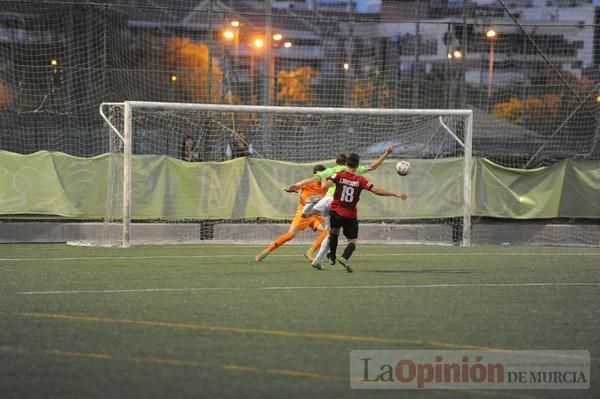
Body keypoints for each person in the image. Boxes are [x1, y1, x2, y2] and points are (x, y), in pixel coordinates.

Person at [286, 145, 393, 264]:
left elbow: (313, 179)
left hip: (326, 200)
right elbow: (373, 167)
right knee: (330, 233)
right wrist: (385, 155)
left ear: (337, 162)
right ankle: (323, 256)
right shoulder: (353, 170)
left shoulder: (331, 170)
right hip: (337, 203)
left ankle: (318, 258)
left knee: (324, 228)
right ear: (348, 163)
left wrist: (296, 185)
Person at [315, 153, 407, 272]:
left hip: (336, 211)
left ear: (346, 164)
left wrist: (326, 177)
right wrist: (395, 194)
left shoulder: (338, 175)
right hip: (350, 215)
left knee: (334, 234)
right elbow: (377, 191)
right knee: (352, 242)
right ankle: (344, 257)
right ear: (357, 165)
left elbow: (325, 187)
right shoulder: (361, 179)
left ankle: (332, 256)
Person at [255, 164, 329, 262]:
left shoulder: (326, 186)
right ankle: (266, 251)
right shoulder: (309, 183)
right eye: (320, 175)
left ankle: (311, 252)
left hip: (315, 214)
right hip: (303, 213)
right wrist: (291, 189)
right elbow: (297, 186)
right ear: (315, 175)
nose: (322, 177)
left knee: (328, 232)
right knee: (290, 235)